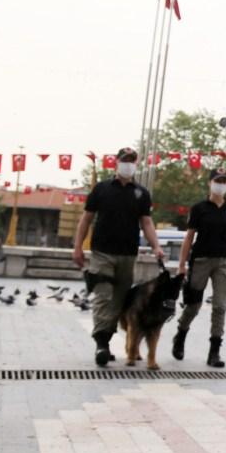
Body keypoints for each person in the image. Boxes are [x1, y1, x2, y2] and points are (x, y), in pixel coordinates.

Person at [73, 146, 165, 367]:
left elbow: (146, 222)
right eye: (125, 160)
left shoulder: (141, 193)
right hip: (102, 252)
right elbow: (86, 219)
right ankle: (102, 343)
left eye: (132, 161)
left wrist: (156, 247)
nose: (128, 164)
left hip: (127, 254)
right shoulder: (102, 189)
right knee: (103, 294)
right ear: (116, 162)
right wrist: (77, 247)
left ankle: (107, 337)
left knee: (119, 301)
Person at [173, 168, 226, 367]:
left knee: (219, 306)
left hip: (223, 262)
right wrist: (182, 264)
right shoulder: (199, 208)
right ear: (210, 183)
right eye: (218, 180)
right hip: (200, 259)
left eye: (224, 180)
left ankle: (214, 351)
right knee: (193, 305)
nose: (221, 184)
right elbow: (189, 237)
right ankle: (180, 335)